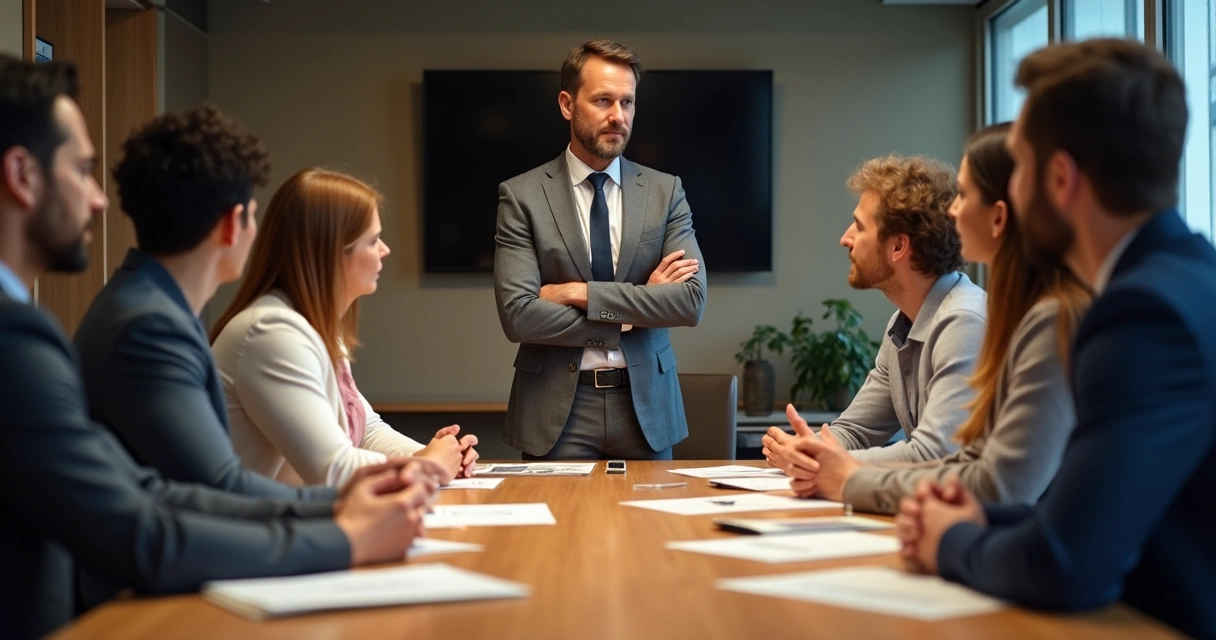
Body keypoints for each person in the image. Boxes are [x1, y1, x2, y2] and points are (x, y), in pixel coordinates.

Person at [0, 54, 435, 640]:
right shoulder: (116, 327)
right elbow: (165, 515)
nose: (98, 200)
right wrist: (344, 533)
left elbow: (148, 492)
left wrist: (340, 508)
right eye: (81, 170)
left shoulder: (136, 313)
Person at [896, 39, 1216, 640]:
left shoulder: (1143, 318)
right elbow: (1101, 512)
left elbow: (1064, 565)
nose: (1012, 194)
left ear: (1062, 179)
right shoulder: (1191, 277)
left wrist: (950, 541)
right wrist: (985, 519)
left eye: (1020, 167)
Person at [773, 124, 1090, 514]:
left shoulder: (976, 319)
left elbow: (955, 463)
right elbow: (969, 462)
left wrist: (841, 473)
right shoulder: (912, 322)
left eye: (965, 196)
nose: (952, 211)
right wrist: (816, 455)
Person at [73, 105, 345, 501]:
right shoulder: (151, 327)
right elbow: (220, 487)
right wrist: (349, 504)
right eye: (253, 214)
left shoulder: (141, 302)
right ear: (233, 225)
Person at [493, 40, 707, 460]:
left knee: (653, 510)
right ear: (567, 104)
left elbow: (689, 301)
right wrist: (630, 314)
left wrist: (578, 293)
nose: (618, 116)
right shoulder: (521, 197)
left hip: (646, 407)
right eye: (603, 100)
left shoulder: (665, 192)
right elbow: (518, 315)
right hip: (556, 412)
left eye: (627, 102)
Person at [211, 168, 479, 487]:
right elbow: (333, 468)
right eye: (373, 240)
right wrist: (427, 466)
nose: (385, 250)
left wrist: (434, 456)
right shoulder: (271, 333)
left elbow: (366, 432)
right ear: (332, 253)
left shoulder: (311, 324)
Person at [764, 155, 986, 469]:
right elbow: (855, 431)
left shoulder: (964, 322)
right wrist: (808, 448)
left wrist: (823, 461)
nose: (845, 239)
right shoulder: (903, 324)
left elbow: (935, 454)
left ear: (898, 247)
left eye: (859, 226)